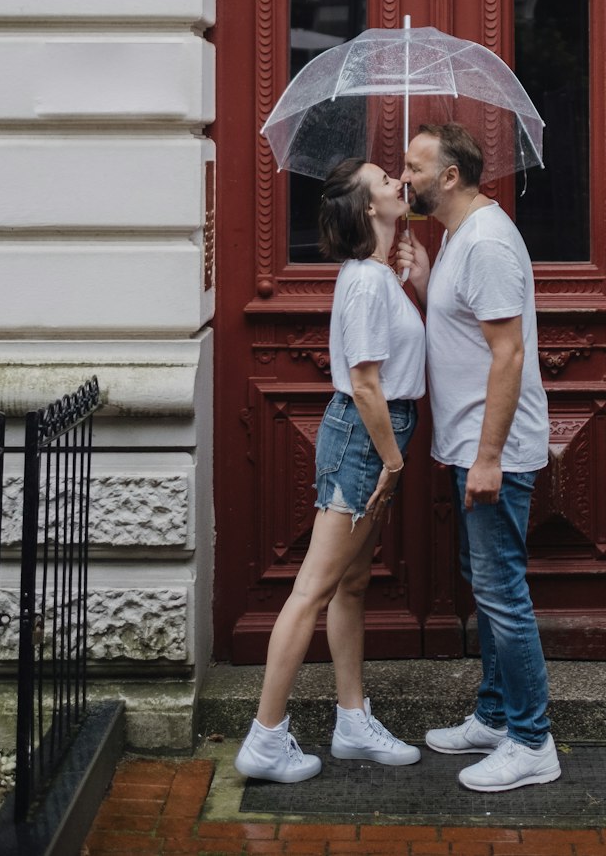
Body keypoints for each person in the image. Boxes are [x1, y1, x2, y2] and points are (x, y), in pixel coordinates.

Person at [235, 158, 425, 783]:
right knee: (312, 589)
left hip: (374, 434)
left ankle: (351, 721)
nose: (400, 182)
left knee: (351, 586)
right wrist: (392, 461)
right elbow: (368, 385)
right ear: (368, 208)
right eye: (385, 181)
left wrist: (414, 278)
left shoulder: (374, 275)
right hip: (365, 440)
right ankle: (265, 738)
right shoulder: (368, 282)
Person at [397, 123, 560, 793]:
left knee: (503, 595)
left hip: (491, 448)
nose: (403, 177)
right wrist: (429, 276)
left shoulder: (488, 242)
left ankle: (531, 741)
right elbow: (467, 323)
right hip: (469, 442)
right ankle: (495, 718)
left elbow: (508, 353)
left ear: (451, 177)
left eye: (413, 166)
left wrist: (489, 457)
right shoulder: (459, 237)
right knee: (489, 591)